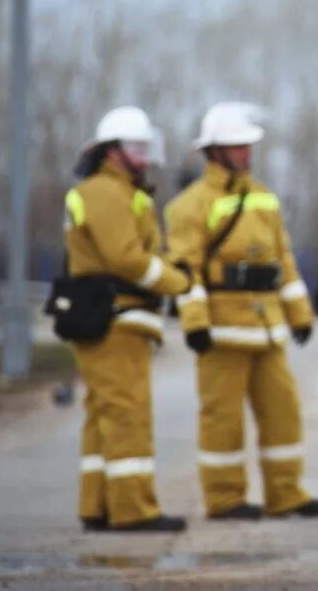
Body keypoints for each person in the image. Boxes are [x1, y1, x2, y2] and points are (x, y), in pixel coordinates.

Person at [165, 101, 318, 521]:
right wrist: (196, 323)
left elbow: (284, 260)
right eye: (236, 146)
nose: (245, 153)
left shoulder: (262, 197)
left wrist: (299, 314)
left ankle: (286, 495)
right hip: (222, 330)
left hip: (267, 328)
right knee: (222, 419)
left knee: (283, 413)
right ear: (214, 151)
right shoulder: (190, 205)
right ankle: (224, 498)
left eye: (247, 145)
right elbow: (185, 269)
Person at [63, 106, 192, 532]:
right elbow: (125, 258)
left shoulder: (121, 192)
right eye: (135, 147)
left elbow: (138, 249)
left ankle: (97, 504)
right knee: (126, 415)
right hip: (115, 317)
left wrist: (171, 264)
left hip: (116, 317)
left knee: (105, 414)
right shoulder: (105, 192)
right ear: (110, 151)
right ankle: (133, 510)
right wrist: (176, 282)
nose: (143, 154)